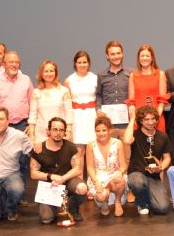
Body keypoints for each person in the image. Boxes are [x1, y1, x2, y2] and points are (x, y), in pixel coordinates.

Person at [0, 50, 34, 197]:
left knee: (22, 161)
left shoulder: (26, 79)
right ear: (4, 64)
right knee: (3, 161)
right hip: (2, 127)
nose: (14, 64)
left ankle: (20, 194)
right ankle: (4, 193)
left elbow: (33, 103)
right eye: (11, 62)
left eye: (17, 62)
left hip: (22, 126)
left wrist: (30, 125)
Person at [30, 117, 87, 224]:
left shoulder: (70, 147)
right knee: (46, 219)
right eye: (55, 129)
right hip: (49, 185)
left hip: (67, 181)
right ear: (49, 131)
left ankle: (73, 208)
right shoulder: (39, 149)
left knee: (82, 188)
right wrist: (51, 176)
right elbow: (33, 173)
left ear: (64, 132)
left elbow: (77, 169)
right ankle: (57, 207)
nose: (58, 133)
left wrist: (62, 178)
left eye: (61, 130)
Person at [123, 106, 171, 215]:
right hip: (137, 173)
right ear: (141, 121)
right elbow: (126, 140)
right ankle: (142, 203)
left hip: (154, 176)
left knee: (162, 208)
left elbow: (167, 158)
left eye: (153, 119)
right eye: (146, 119)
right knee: (137, 182)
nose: (151, 122)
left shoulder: (163, 136)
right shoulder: (135, 134)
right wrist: (132, 119)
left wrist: (161, 168)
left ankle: (148, 197)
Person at [96, 40, 132, 160]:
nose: (116, 56)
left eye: (118, 53)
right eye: (112, 54)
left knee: (126, 157)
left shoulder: (131, 73)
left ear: (122, 54)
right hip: (108, 125)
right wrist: (98, 109)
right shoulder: (101, 75)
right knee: (109, 157)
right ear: (107, 56)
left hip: (125, 125)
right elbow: (99, 95)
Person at [64, 50, 97, 181]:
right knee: (79, 151)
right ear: (75, 64)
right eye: (79, 62)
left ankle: (93, 183)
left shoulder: (95, 78)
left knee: (93, 150)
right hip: (76, 116)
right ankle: (80, 183)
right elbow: (67, 102)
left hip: (92, 115)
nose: (82, 65)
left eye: (85, 62)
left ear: (89, 63)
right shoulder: (69, 80)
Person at [86, 116, 128, 217]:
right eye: (98, 131)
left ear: (109, 130)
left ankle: (117, 201)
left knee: (121, 180)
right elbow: (90, 167)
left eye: (104, 130)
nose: (101, 133)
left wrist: (120, 172)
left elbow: (124, 165)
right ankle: (104, 202)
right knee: (101, 197)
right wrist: (96, 182)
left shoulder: (117, 143)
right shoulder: (91, 145)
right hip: (98, 177)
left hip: (114, 175)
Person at [28, 60, 74, 144]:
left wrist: (69, 131)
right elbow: (33, 114)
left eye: (51, 71)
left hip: (60, 134)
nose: (49, 74)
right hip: (40, 135)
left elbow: (69, 113)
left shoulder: (64, 91)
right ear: (41, 74)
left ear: (55, 73)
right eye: (46, 71)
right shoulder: (36, 92)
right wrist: (31, 134)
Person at [127, 44, 168, 132]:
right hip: (138, 121)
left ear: (152, 58)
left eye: (147, 56)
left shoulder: (160, 74)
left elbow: (162, 102)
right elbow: (131, 102)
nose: (144, 58)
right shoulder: (133, 76)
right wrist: (134, 119)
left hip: (156, 121)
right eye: (142, 56)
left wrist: (154, 120)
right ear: (138, 58)